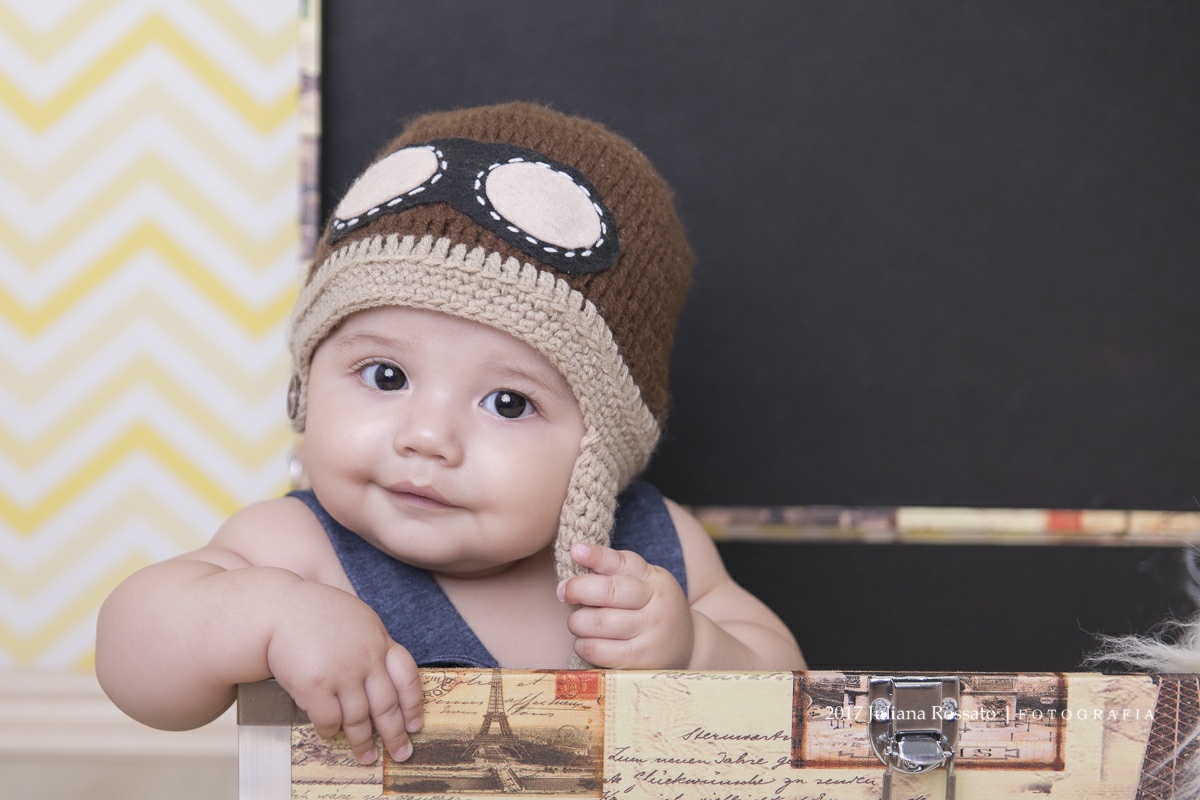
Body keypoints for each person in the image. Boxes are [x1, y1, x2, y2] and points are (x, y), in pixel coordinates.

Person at [95, 102, 806, 768]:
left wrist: (696, 647)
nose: (428, 437)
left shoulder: (650, 551)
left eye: (506, 401)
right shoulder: (296, 550)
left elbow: (796, 694)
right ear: (310, 382)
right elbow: (133, 663)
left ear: (600, 449)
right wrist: (272, 614)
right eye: (385, 376)